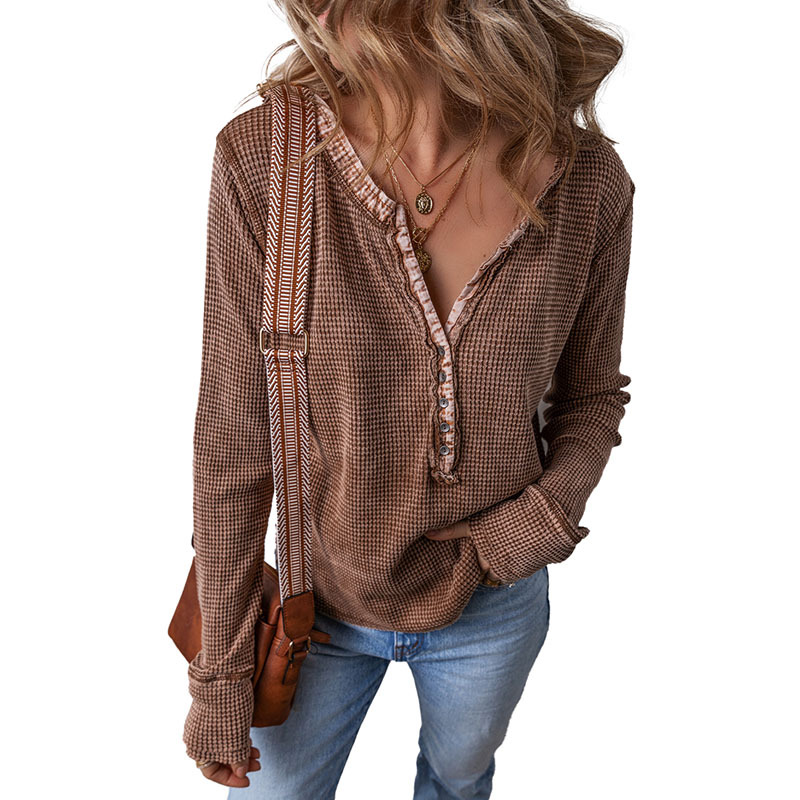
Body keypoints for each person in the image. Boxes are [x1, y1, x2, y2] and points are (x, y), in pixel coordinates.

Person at [182, 1, 636, 797]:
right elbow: (232, 436)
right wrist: (219, 671)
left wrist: (537, 522)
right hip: (315, 605)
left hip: (494, 602)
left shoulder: (585, 181)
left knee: (458, 780)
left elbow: (592, 395)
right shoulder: (265, 161)